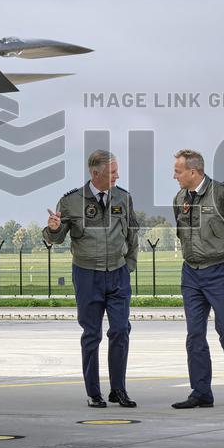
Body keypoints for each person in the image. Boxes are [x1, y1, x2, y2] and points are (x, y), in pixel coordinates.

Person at [44, 150, 139, 408]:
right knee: (92, 334)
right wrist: (52, 229)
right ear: (95, 174)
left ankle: (118, 389)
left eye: (117, 170)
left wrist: (128, 266)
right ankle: (93, 392)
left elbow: (133, 234)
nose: (117, 176)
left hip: (118, 274)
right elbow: (56, 237)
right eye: (112, 172)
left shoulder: (123, 197)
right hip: (87, 275)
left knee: (120, 330)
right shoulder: (72, 201)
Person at [170, 149, 224, 409]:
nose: (174, 176)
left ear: (193, 172)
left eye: (178, 171)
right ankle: (201, 392)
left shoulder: (222, 194)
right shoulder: (179, 199)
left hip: (221, 271)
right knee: (194, 335)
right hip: (191, 273)